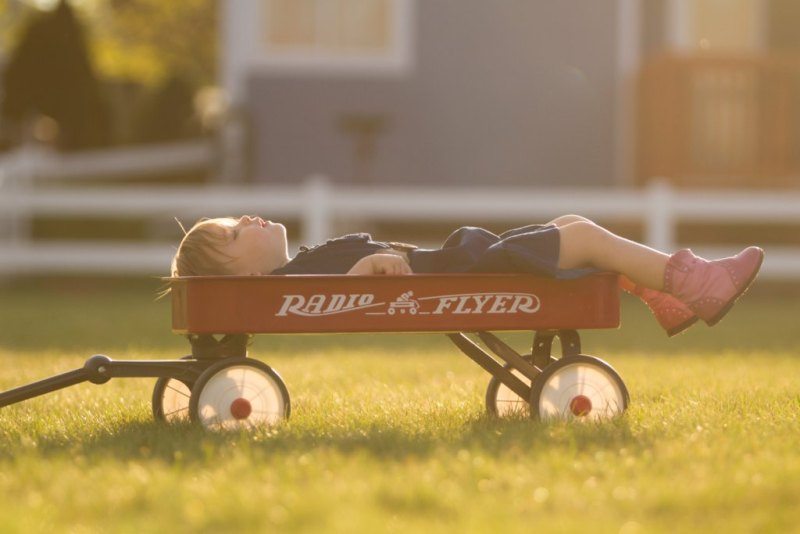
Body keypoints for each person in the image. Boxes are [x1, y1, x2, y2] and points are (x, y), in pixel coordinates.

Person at [170, 214, 764, 336]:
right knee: (580, 234)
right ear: (241, 273)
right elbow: (335, 295)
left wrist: (361, 265)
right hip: (461, 273)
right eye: (230, 234)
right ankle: (695, 284)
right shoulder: (294, 284)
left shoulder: (297, 274)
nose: (244, 219)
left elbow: (324, 291)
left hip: (459, 265)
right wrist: (364, 265)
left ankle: (665, 293)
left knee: (570, 228)